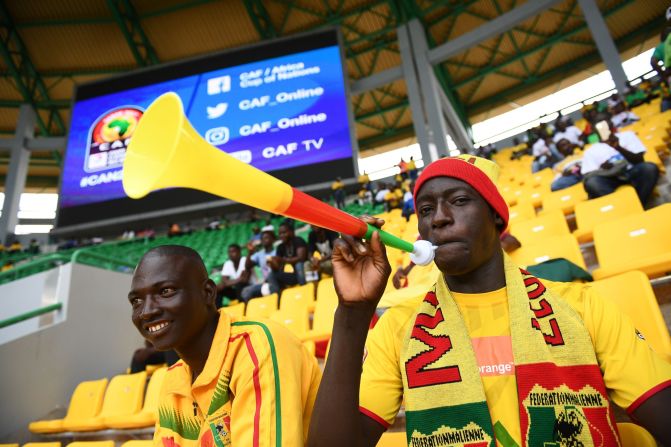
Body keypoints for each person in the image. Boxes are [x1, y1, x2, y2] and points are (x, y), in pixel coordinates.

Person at [307, 155, 671, 447]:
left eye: (459, 201)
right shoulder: (398, 327)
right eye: (427, 209)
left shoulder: (582, 305)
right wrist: (353, 314)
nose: (440, 219)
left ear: (497, 215)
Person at [128, 245, 321, 446]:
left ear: (208, 292)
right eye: (136, 301)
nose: (146, 312)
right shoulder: (173, 381)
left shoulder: (255, 346)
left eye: (165, 291)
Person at [581, 114, 659, 205]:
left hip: (631, 170)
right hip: (610, 178)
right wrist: (603, 169)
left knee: (649, 168)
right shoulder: (590, 151)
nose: (603, 126)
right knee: (593, 183)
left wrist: (618, 148)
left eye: (605, 122)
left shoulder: (627, 135)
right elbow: (590, 175)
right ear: (593, 129)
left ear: (611, 123)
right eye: (599, 124)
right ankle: (620, 206)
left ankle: (638, 204)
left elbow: (639, 160)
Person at [267, 220, 308, 293]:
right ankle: (278, 298)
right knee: (272, 275)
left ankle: (304, 290)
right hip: (294, 275)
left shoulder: (298, 240)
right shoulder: (280, 247)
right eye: (280, 234)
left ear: (291, 232)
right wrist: (272, 263)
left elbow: (301, 258)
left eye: (284, 232)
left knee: (298, 265)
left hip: (306, 272)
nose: (281, 235)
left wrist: (282, 260)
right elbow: (278, 267)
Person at [241, 225, 277, 302]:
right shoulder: (259, 254)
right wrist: (250, 253)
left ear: (273, 239)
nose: (264, 240)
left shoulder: (277, 252)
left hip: (276, 281)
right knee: (246, 291)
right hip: (264, 283)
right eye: (262, 238)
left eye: (266, 238)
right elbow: (247, 266)